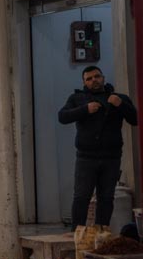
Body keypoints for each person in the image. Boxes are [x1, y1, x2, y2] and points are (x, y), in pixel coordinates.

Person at [58, 65, 138, 228]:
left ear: (103, 78)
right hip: (86, 157)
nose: (94, 80)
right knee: (81, 197)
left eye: (97, 76)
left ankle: (102, 231)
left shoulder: (119, 98)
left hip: (111, 157)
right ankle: (77, 233)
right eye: (89, 78)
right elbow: (62, 117)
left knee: (106, 198)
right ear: (84, 83)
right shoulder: (77, 98)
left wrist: (121, 105)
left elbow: (135, 119)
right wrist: (85, 109)